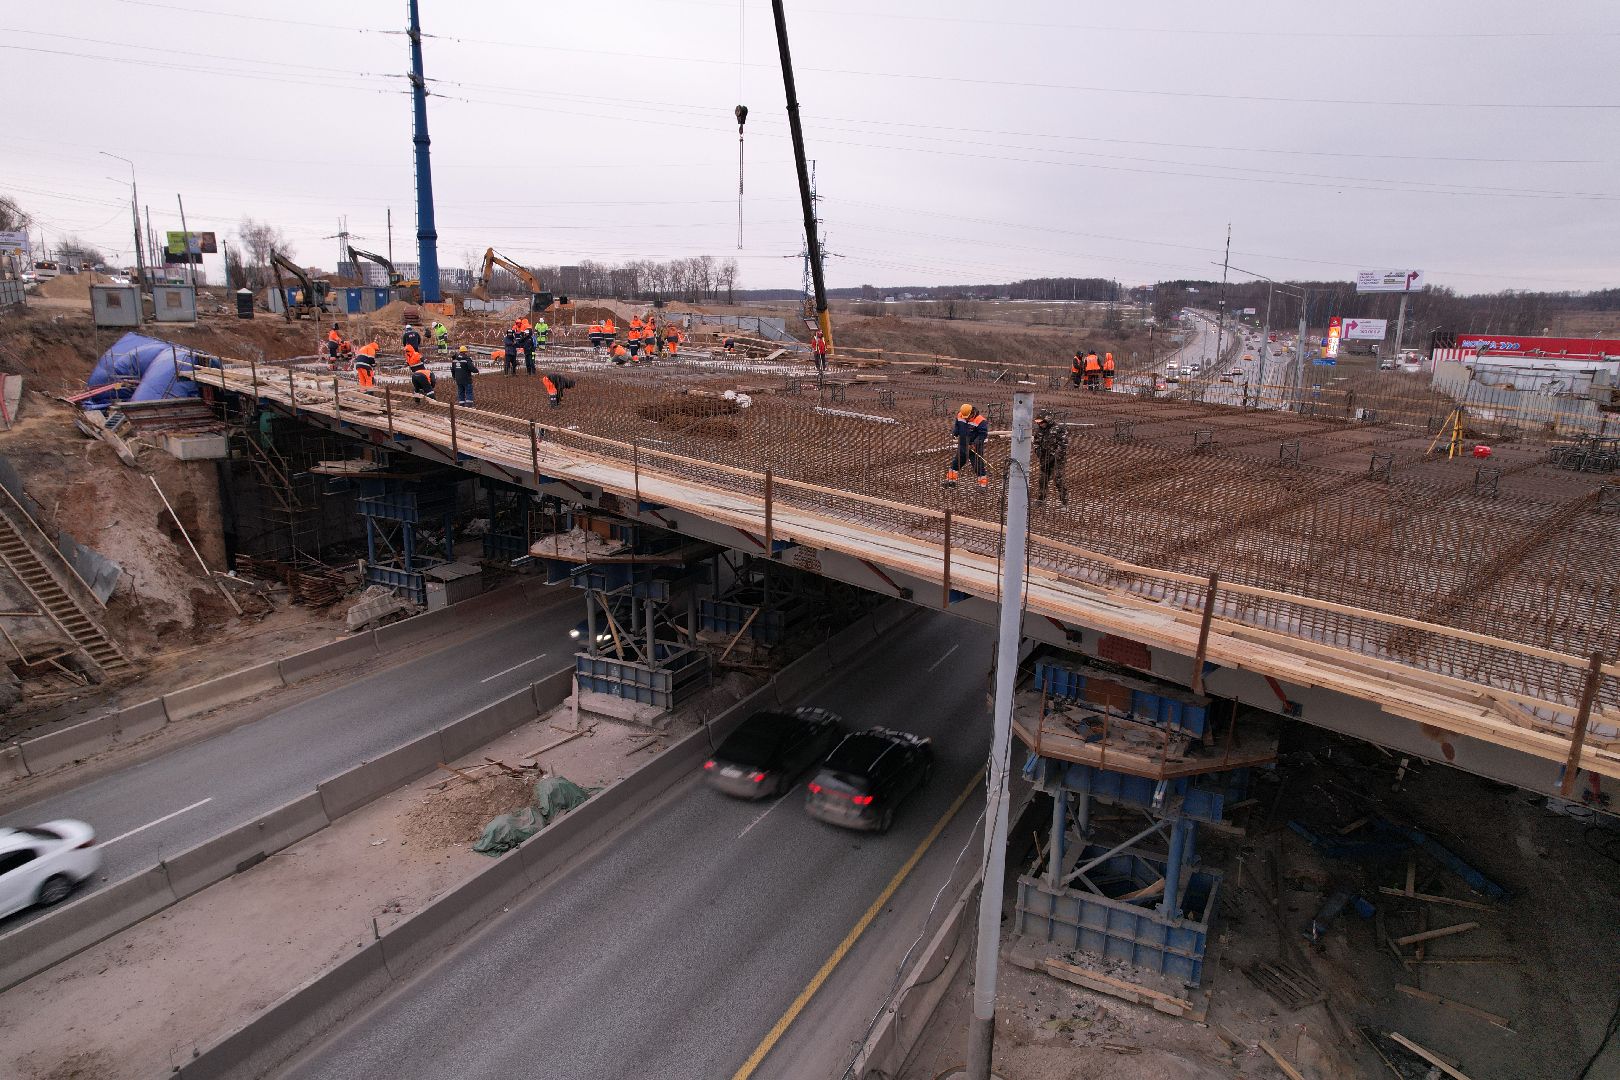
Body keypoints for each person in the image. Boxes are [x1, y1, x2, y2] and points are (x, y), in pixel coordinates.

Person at [943, 403, 989, 490]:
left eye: (967, 416)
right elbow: (957, 426)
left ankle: (983, 485)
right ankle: (950, 481)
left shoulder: (980, 420)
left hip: (975, 448)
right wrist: (955, 433)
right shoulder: (961, 415)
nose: (965, 418)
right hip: (963, 445)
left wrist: (975, 444)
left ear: (972, 412)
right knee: (956, 463)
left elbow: (982, 435)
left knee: (978, 466)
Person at [1033, 410, 1069, 506]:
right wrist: (1038, 451)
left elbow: (1063, 444)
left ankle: (1064, 501)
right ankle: (1041, 500)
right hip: (1044, 459)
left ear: (1047, 420)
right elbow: (1036, 442)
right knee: (1042, 480)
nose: (1040, 424)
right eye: (1038, 423)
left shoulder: (1059, 428)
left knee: (1058, 479)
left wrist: (1054, 456)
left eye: (1041, 422)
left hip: (1057, 460)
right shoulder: (1040, 431)